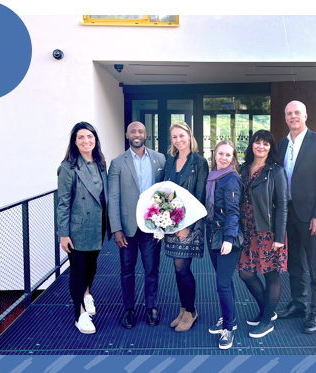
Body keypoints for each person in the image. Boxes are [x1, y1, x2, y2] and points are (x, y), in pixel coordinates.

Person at [276, 100, 316, 334]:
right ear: (285, 117)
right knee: (295, 263)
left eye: (297, 113)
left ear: (305, 116)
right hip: (287, 213)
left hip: (311, 216)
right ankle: (299, 304)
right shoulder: (281, 144)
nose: (293, 117)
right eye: (289, 113)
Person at [108, 121, 166, 329]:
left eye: (140, 131)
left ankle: (151, 307)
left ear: (146, 134)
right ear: (127, 134)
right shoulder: (117, 163)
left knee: (152, 269)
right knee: (127, 270)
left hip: (152, 227)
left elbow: (166, 193)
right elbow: (113, 197)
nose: (136, 134)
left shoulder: (160, 159)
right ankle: (129, 310)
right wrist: (116, 228)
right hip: (127, 227)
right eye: (133, 131)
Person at [56, 121, 111, 334]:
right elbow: (62, 203)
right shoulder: (68, 168)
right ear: (75, 142)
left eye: (90, 136)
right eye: (81, 137)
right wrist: (63, 234)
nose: (86, 140)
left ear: (95, 139)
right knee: (78, 270)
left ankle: (87, 294)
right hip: (78, 228)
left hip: (98, 225)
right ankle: (79, 314)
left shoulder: (100, 164)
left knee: (92, 265)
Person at [237, 129, 288, 339]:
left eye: (266, 144)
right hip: (247, 230)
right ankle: (268, 309)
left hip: (267, 231)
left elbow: (283, 205)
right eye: (258, 142)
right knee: (245, 272)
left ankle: (266, 321)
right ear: (251, 145)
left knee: (270, 274)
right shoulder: (242, 169)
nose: (261, 146)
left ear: (270, 148)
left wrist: (279, 237)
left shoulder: (275, 171)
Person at [163, 122, 209, 332]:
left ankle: (190, 311)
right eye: (174, 137)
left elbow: (200, 197)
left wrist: (188, 227)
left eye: (182, 135)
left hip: (190, 224)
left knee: (183, 268)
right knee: (177, 268)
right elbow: (164, 192)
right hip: (171, 224)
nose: (178, 140)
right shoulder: (170, 162)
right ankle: (184, 309)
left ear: (190, 136)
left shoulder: (199, 162)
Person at [205, 140, 243, 350]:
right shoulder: (213, 176)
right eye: (221, 154)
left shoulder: (231, 179)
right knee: (225, 282)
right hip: (213, 233)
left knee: (222, 283)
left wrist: (229, 239)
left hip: (226, 237)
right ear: (215, 155)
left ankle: (228, 328)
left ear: (233, 158)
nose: (224, 158)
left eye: (228, 155)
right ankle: (230, 318)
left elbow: (233, 212)